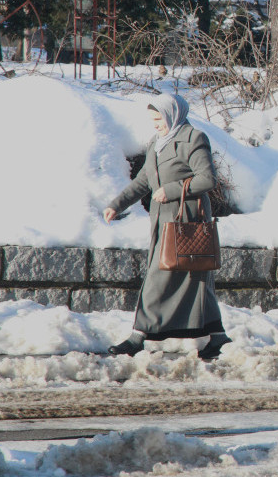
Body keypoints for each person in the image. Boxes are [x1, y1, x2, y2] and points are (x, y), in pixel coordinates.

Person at [103, 93, 232, 361]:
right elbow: (143, 182)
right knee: (197, 279)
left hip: (187, 219)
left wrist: (171, 190)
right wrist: (117, 205)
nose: (156, 124)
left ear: (173, 114)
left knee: (157, 277)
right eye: (153, 119)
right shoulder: (156, 144)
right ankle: (217, 336)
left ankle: (138, 336)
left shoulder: (193, 139)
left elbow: (207, 179)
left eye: (159, 118)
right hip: (164, 222)